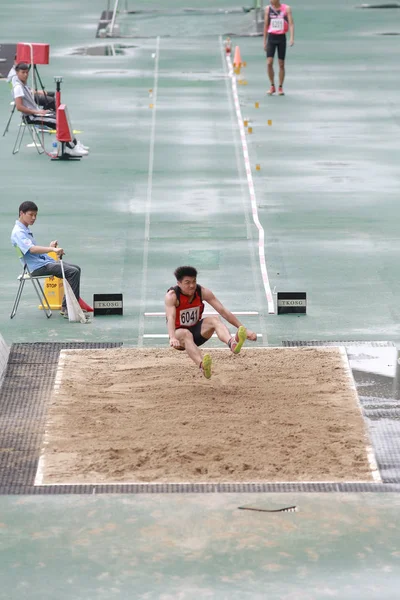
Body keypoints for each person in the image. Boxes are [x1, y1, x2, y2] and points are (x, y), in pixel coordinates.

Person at [165, 266, 257, 379]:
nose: (192, 285)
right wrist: (172, 337)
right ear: (178, 283)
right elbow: (171, 317)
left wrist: (243, 328)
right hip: (179, 337)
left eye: (194, 281)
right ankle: (202, 365)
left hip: (197, 333)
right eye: (187, 282)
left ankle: (232, 343)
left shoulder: (202, 291)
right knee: (185, 333)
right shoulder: (172, 296)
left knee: (214, 319)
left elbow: (223, 311)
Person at [11, 201, 82, 319]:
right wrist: (51, 250)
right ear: (21, 213)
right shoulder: (18, 232)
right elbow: (32, 249)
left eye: (35, 215)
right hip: (37, 267)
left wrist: (50, 248)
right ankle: (70, 309)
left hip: (43, 263)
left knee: (76, 269)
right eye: (31, 214)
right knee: (73, 272)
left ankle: (66, 307)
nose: (34, 218)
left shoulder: (24, 229)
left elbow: (33, 251)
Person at [12, 62, 88, 157]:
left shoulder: (24, 85)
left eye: (27, 72)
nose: (25, 75)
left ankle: (74, 143)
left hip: (36, 114)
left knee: (62, 118)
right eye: (23, 72)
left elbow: (31, 93)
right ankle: (71, 148)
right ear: (17, 73)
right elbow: (19, 107)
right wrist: (38, 111)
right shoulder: (18, 87)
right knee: (58, 122)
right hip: (30, 117)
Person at [263, 0, 294, 96]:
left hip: (281, 38)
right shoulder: (268, 9)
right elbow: (265, 25)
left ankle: (280, 87)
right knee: (269, 63)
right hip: (271, 38)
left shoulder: (286, 9)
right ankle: (272, 86)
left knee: (281, 64)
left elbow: (291, 24)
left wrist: (292, 38)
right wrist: (264, 41)